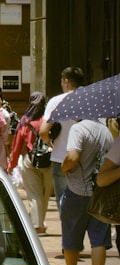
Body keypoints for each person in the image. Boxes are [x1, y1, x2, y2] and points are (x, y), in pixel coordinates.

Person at [58, 118, 113, 265]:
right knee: (99, 240)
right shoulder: (106, 132)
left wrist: (64, 168)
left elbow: (73, 157)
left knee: (71, 236)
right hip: (100, 192)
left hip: (77, 191)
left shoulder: (78, 129)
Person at [8, 92, 54, 234]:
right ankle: (40, 222)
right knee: (45, 194)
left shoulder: (25, 121)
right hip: (50, 160)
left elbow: (17, 145)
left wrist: (12, 164)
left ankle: (37, 225)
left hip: (31, 160)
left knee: (34, 194)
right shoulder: (50, 119)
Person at [41, 66, 85, 204]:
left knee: (63, 202)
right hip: (85, 159)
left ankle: (67, 225)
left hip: (61, 157)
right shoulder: (90, 100)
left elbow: (43, 131)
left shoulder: (56, 101)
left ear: (66, 81)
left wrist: (48, 141)